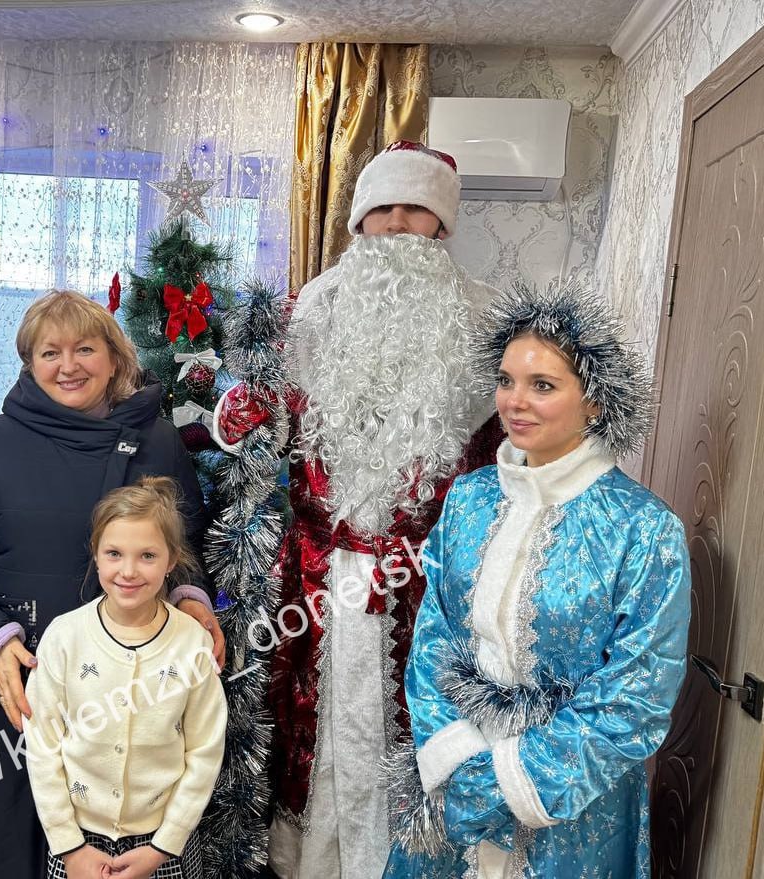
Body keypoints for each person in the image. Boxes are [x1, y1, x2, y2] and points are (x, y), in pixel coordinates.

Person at [213, 140, 505, 877]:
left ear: (442, 226)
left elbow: (506, 450)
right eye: (384, 209)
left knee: (413, 725)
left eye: (416, 211)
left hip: (426, 576)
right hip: (318, 570)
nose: (398, 225)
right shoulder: (312, 308)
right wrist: (237, 415)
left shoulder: (484, 323)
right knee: (309, 725)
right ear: (359, 221)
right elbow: (266, 417)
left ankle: (403, 861)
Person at [382, 286, 691, 878]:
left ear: (595, 402)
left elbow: (636, 697)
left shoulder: (644, 529)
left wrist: (511, 781)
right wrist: (458, 759)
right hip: (459, 776)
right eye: (506, 381)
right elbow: (433, 637)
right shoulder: (469, 498)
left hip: (575, 805)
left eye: (542, 385)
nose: (514, 402)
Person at [0, 290, 225, 879]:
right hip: (19, 684)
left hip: (127, 695)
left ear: (114, 357)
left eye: (85, 349)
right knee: (5, 853)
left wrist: (190, 599)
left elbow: (182, 546)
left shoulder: (158, 441)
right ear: (29, 363)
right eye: (49, 352)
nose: (68, 366)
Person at [24, 476, 227, 879]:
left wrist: (163, 846)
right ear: (96, 555)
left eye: (148, 555)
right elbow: (42, 745)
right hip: (78, 843)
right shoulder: (64, 637)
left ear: (171, 560)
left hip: (164, 845)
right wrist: (70, 847)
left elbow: (205, 750)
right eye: (114, 553)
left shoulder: (192, 643)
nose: (129, 571)